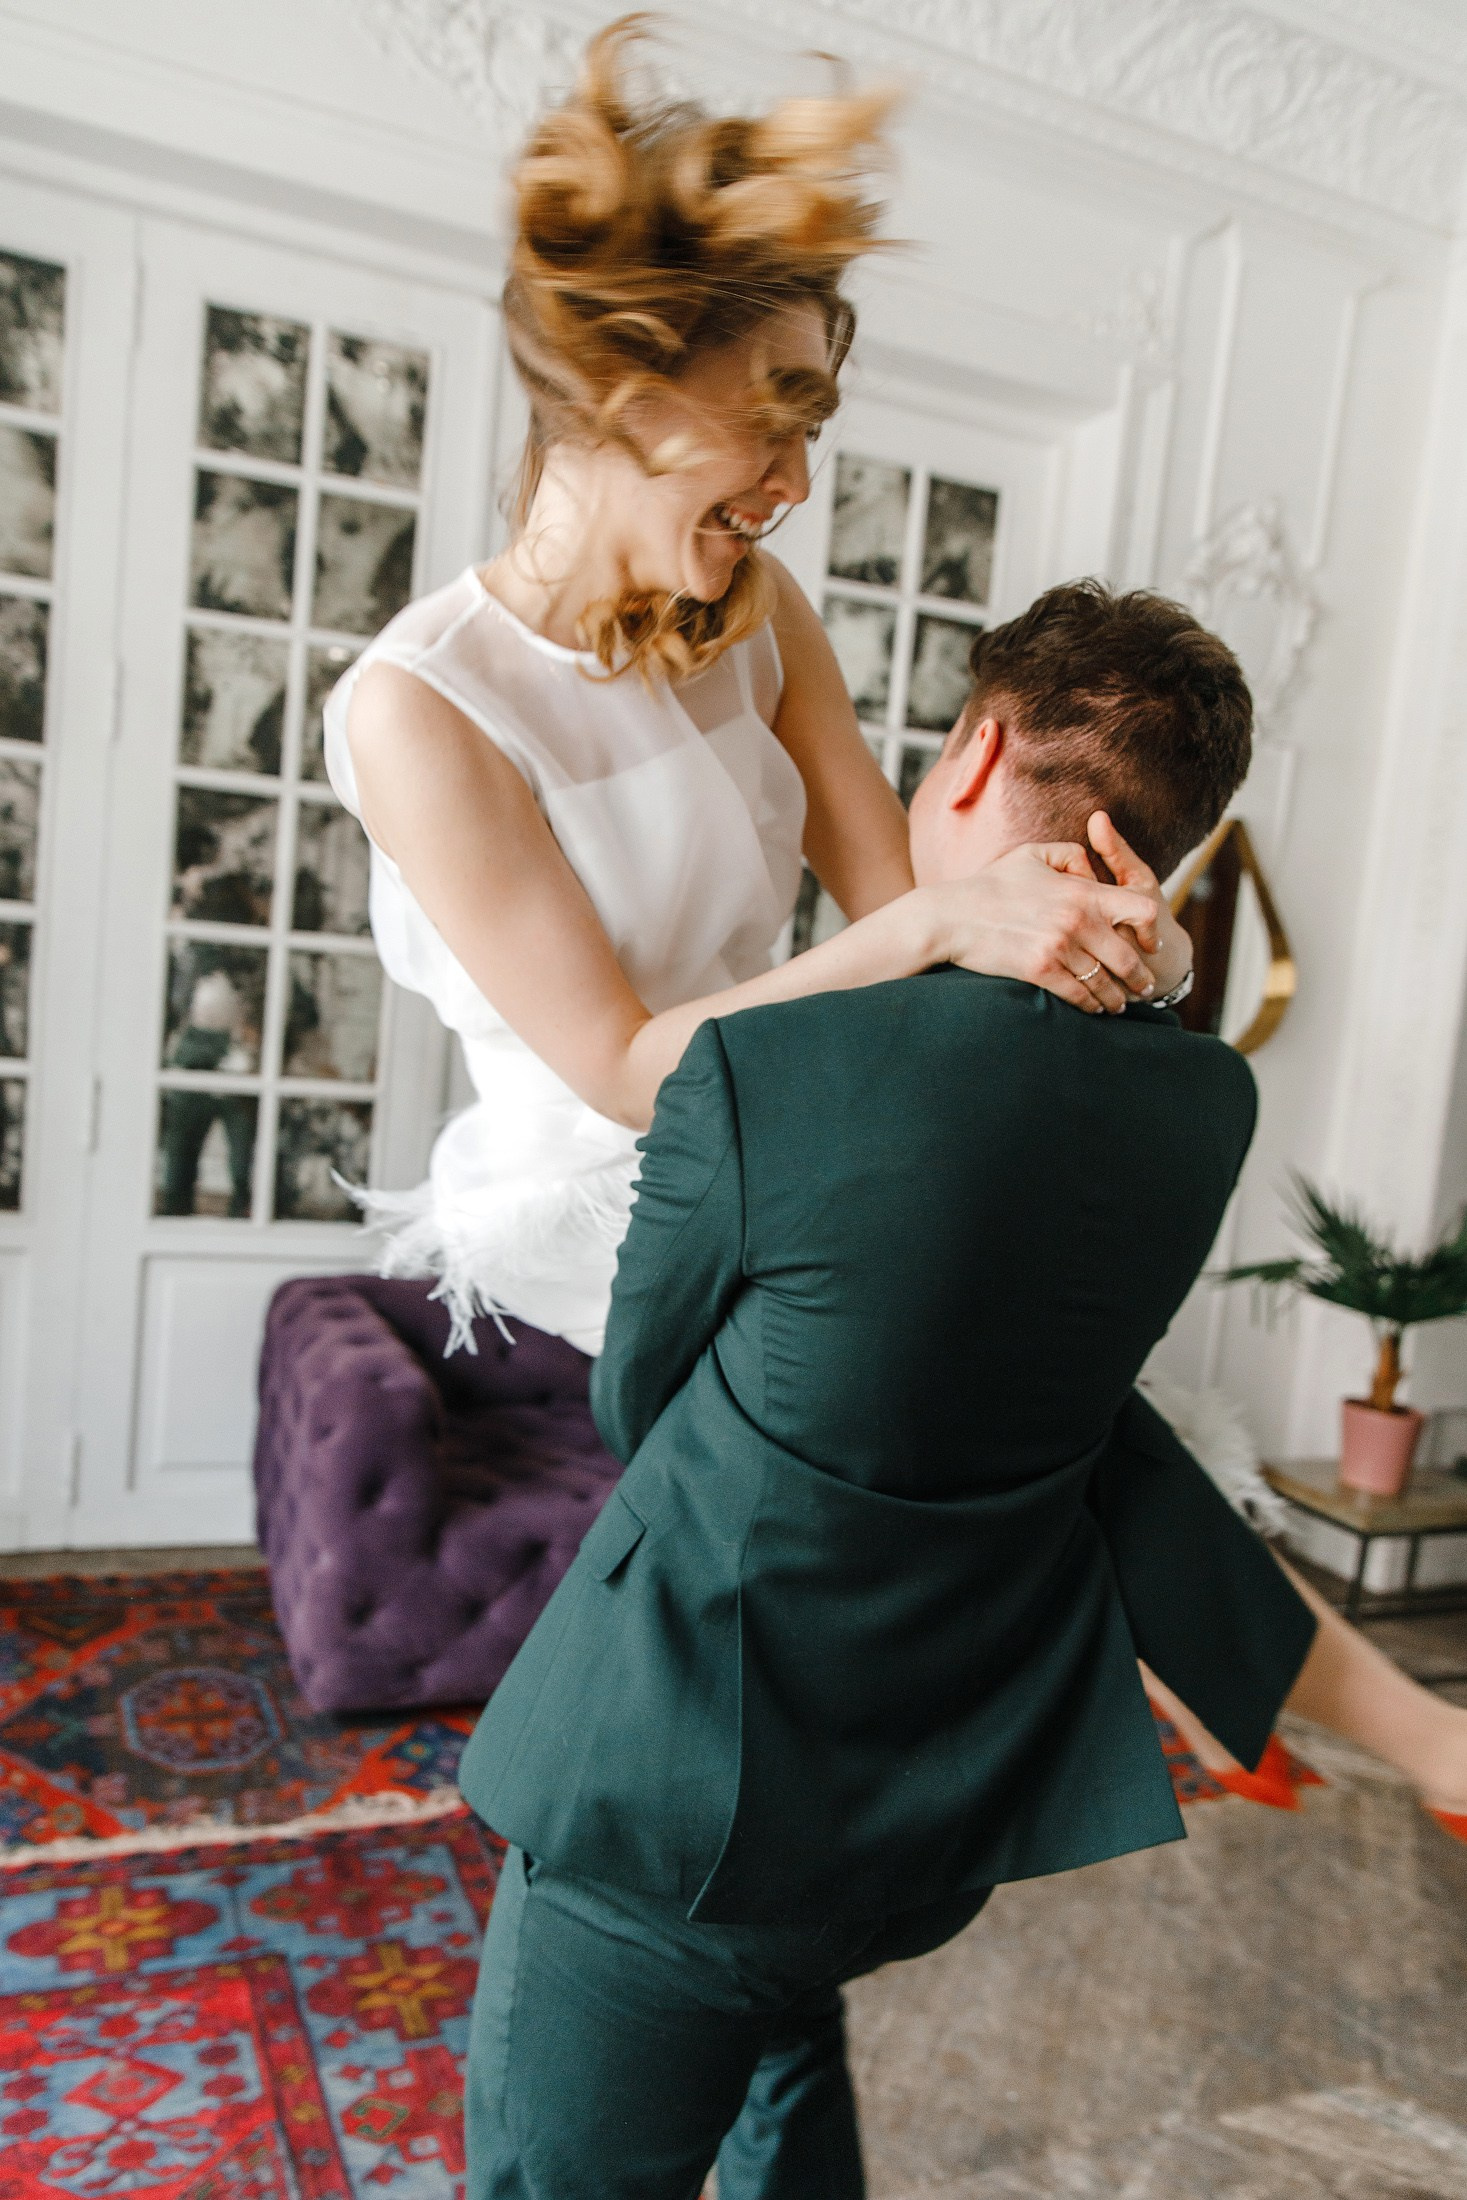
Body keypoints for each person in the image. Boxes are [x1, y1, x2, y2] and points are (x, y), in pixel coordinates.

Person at [456, 582, 1467, 2200]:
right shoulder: (1202, 1104)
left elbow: (639, 1404)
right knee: (786, 2056)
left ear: (979, 753)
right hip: (924, 1824)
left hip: (677, 1802)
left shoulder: (767, 1063)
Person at [325, 19, 1189, 1360]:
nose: (794, 485)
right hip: (602, 1223)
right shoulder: (421, 707)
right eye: (770, 424)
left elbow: (905, 911)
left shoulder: (763, 612)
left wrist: (1136, 959)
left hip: (784, 1140)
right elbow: (625, 1073)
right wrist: (945, 924)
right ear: (623, 394)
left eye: (809, 431)